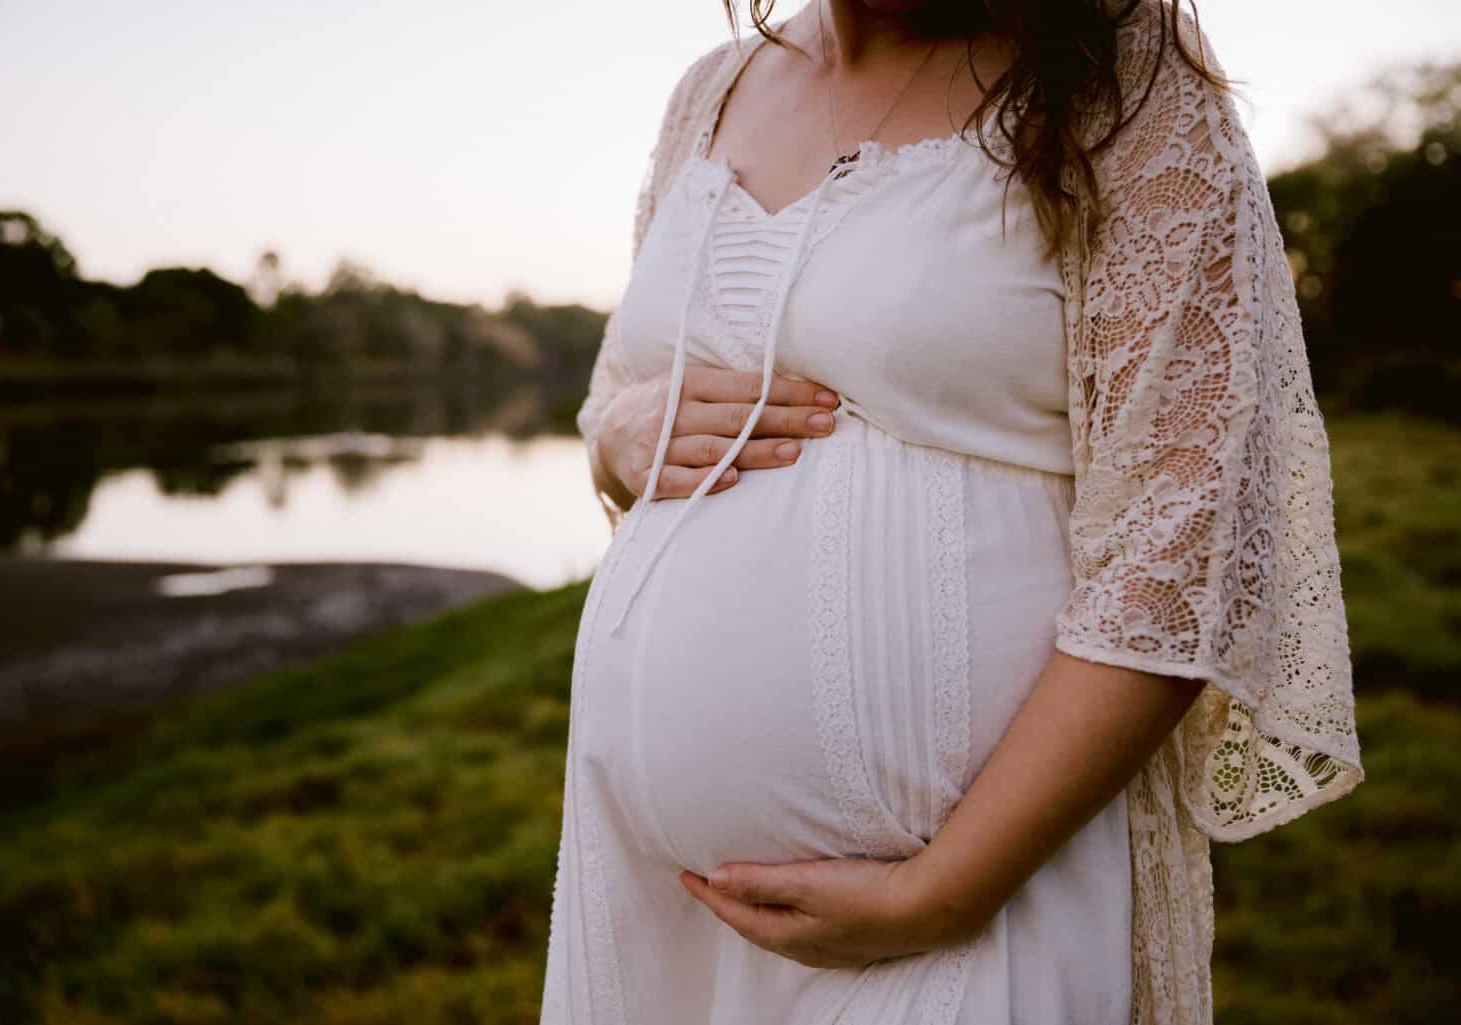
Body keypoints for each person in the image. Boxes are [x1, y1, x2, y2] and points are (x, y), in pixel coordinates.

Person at [543, 1, 1363, 1023]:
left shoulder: (1123, 67)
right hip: (662, 911)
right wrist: (621, 432)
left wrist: (942, 891)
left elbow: (1181, 541)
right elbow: (622, 385)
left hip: (971, 905)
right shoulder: (711, 90)